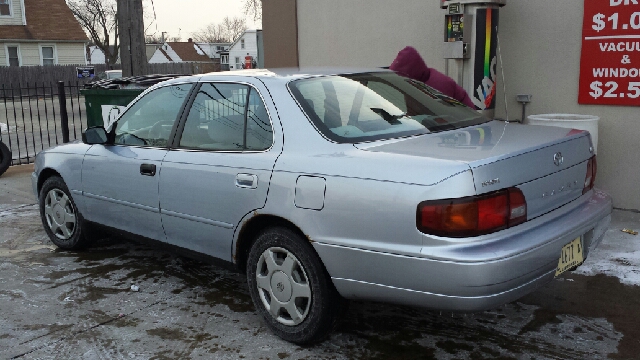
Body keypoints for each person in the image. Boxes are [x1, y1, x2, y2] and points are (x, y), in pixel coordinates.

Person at [389, 46, 475, 108]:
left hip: (466, 124)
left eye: (400, 77)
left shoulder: (438, 85)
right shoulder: (418, 82)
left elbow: (440, 117)